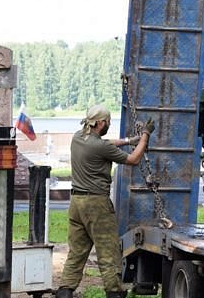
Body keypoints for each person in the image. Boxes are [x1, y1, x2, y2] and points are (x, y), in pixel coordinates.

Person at [56, 104, 155, 298]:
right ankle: (114, 292)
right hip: (97, 205)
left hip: (76, 203)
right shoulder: (100, 147)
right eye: (108, 122)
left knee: (76, 252)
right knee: (108, 252)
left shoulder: (78, 138)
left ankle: (65, 291)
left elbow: (106, 144)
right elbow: (134, 159)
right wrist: (145, 135)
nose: (108, 124)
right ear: (100, 123)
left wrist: (128, 140)